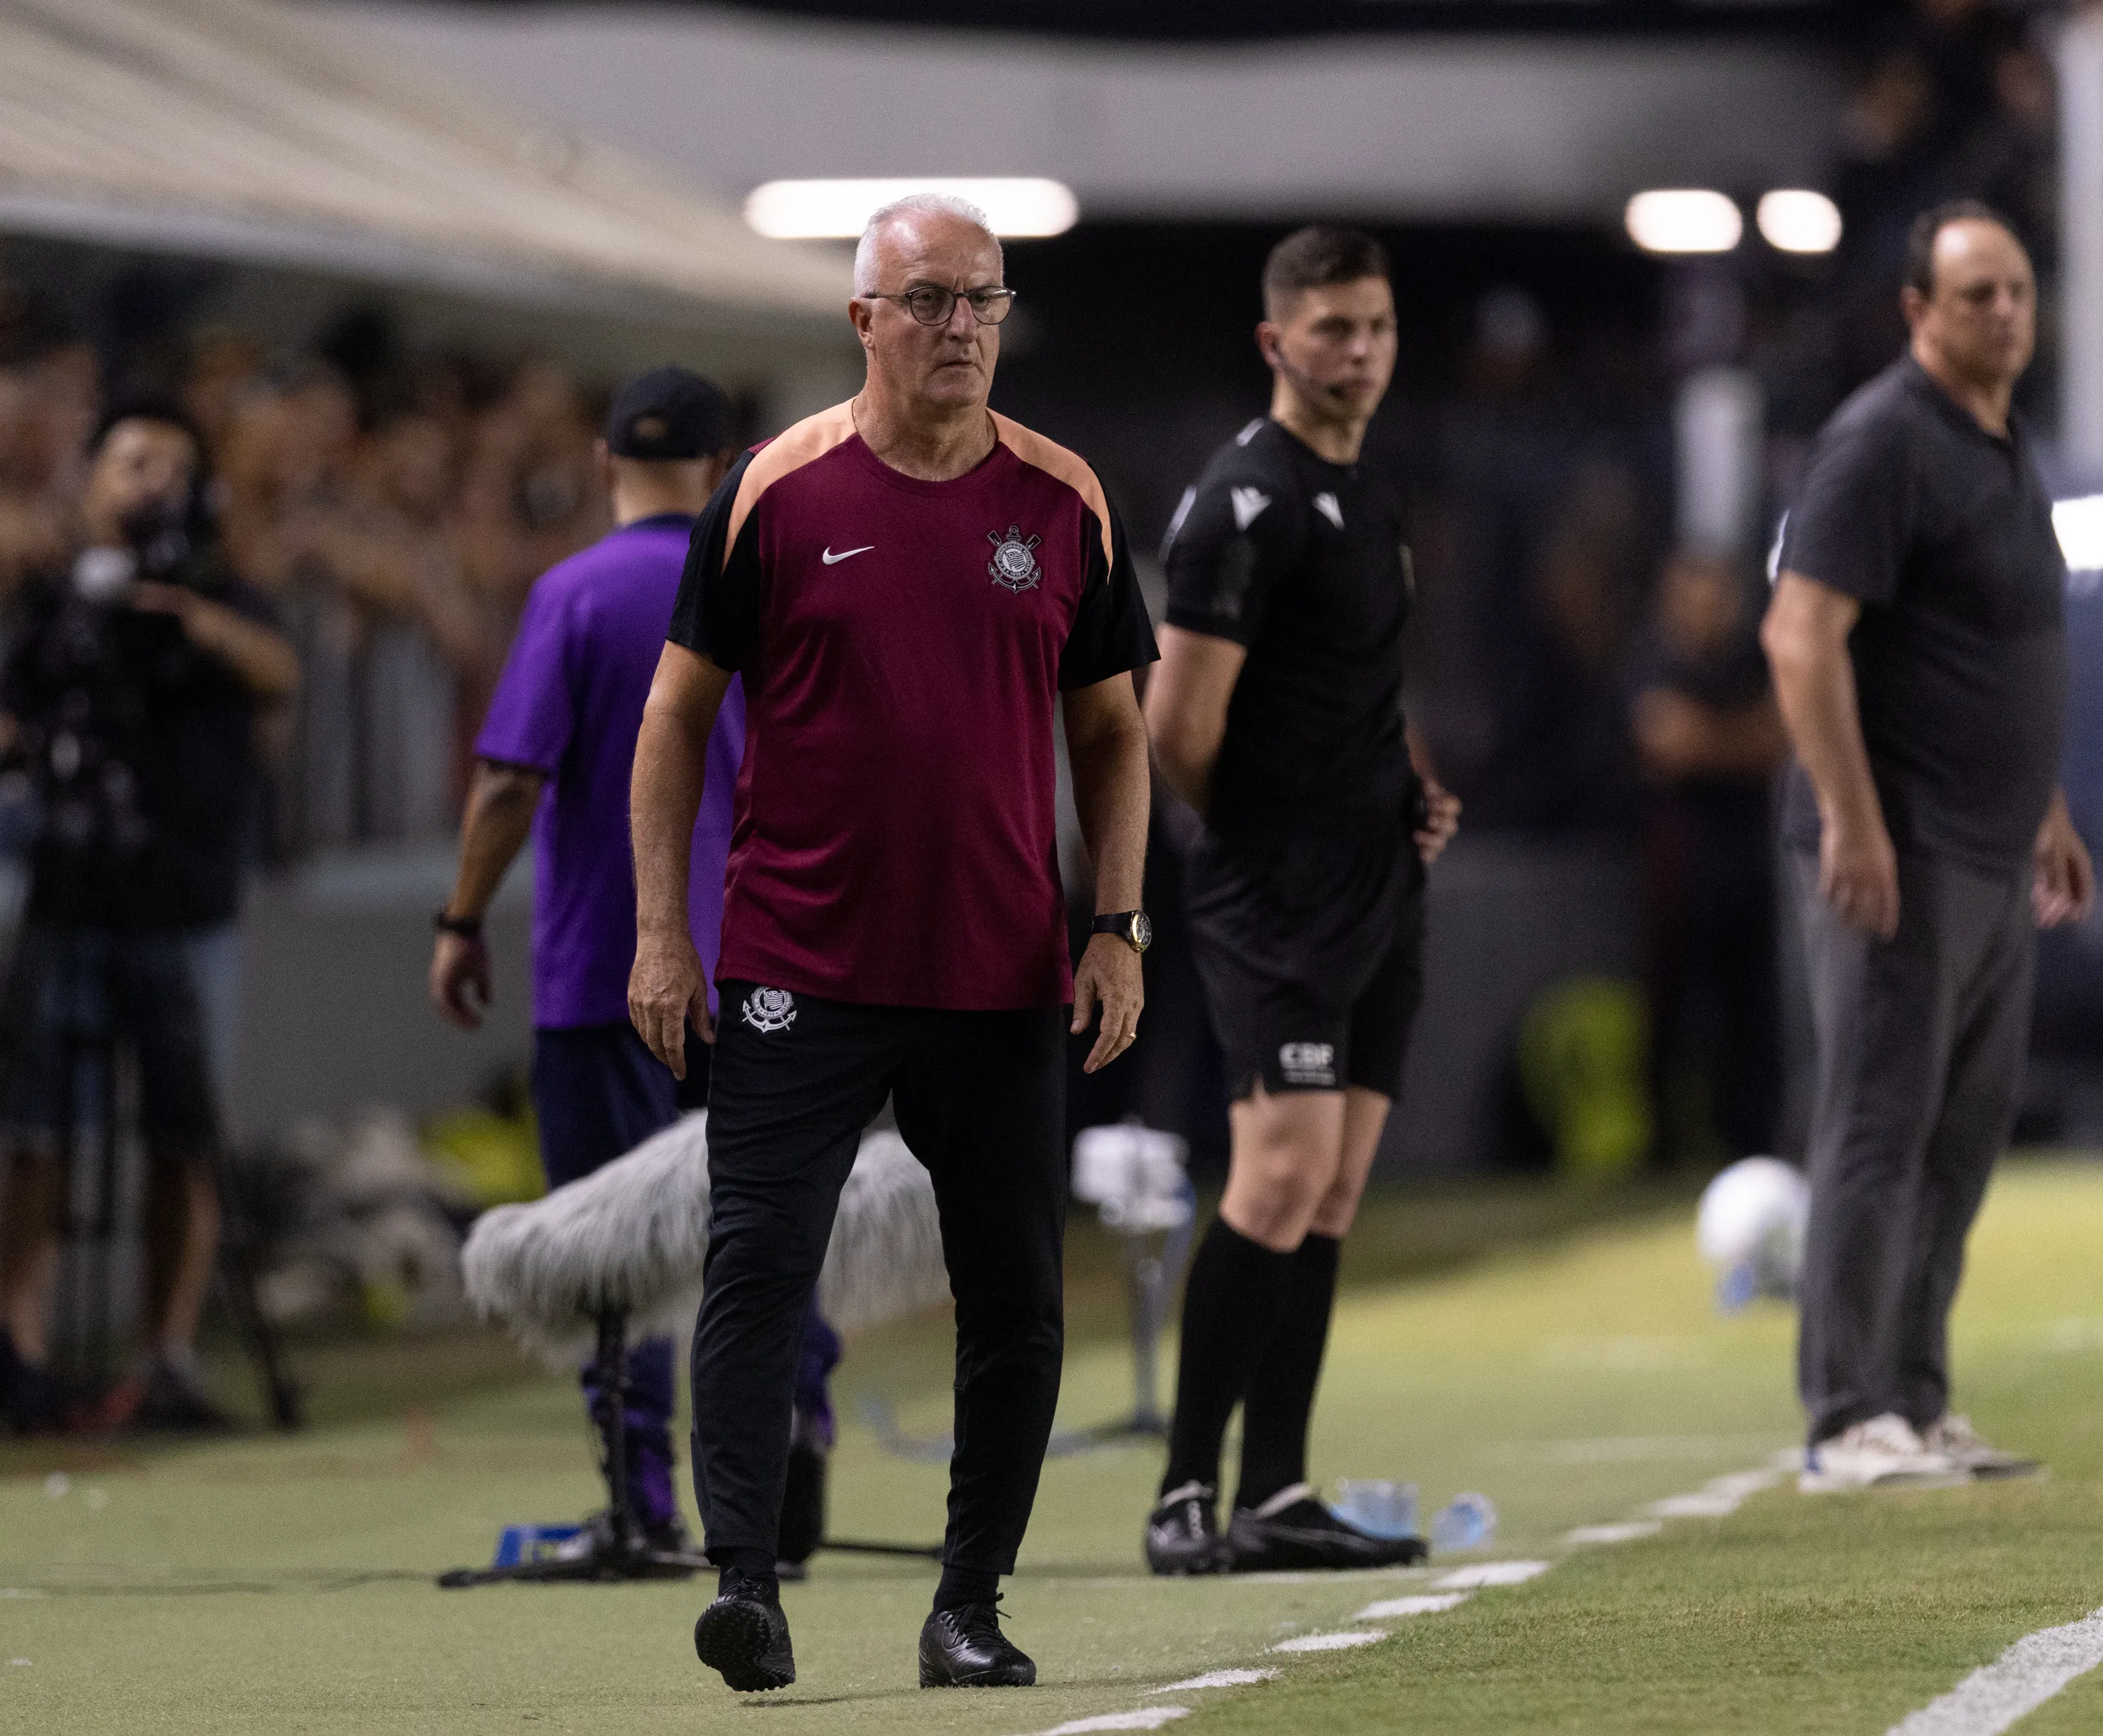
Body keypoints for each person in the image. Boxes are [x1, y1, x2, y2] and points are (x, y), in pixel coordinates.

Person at [627, 192, 1155, 1693]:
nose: (962, 330)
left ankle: (967, 1602)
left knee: (1018, 1299)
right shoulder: (775, 490)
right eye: (929, 302)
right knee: (757, 1258)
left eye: (982, 302)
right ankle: (745, 1580)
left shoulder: (1064, 499)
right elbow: (674, 719)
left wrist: (1113, 924)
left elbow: (1113, 732)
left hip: (999, 971)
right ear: (863, 318)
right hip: (798, 959)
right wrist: (667, 931)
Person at [433, 366, 839, 1557]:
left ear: (606, 464)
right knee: (766, 1221)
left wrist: (460, 920)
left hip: (604, 971)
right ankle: (792, 1442)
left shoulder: (571, 594)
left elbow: (510, 779)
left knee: (614, 1240)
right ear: (724, 472)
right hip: (766, 964)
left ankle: (643, 1503)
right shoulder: (771, 582)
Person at [1141, 226, 1459, 1576]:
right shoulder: (1240, 503)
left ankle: (1275, 1491)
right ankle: (1181, 1496)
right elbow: (1176, 727)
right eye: (1334, 329)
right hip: (1276, 891)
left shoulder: (1371, 495)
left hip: (1381, 883)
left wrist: (1411, 788)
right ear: (1277, 343)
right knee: (1274, 1175)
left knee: (1330, 1191)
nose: (1361, 351)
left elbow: (1363, 691)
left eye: (1377, 326)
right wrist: (1267, 837)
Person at [1762, 200, 2090, 1493]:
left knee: (1959, 1132)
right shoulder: (1883, 439)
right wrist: (1852, 816)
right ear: (1917, 311)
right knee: (1878, 1127)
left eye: (2015, 289)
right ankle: (1847, 1415)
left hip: (1991, 850)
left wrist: (2045, 810)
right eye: (1975, 295)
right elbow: (1800, 636)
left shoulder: (2001, 444)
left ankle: (1914, 1393)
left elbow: (1996, 650)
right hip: (1897, 847)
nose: (2003, 312)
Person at [0, 394, 299, 1433]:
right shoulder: (54, 602)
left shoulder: (223, 595)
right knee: (36, 1128)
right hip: (72, 892)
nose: (151, 485)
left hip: (184, 905)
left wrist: (192, 618)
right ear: (90, 479)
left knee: (183, 1133)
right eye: (131, 463)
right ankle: (21, 1349)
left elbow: (279, 674)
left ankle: (162, 1356)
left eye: (173, 468)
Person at [1628, 548, 1788, 1164]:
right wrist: (1739, 738)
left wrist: (1715, 738)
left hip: (1747, 865)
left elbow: (1777, 738)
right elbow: (1667, 740)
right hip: (1678, 870)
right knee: (1671, 1010)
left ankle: (1754, 1143)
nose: (1705, 605)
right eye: (1692, 591)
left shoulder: (1752, 660)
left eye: (1715, 591)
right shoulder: (1651, 662)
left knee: (1752, 1014)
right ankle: (1663, 1146)